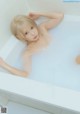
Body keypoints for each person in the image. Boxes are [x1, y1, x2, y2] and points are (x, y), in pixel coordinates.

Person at [0, 12, 64, 77]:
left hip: (63, 56)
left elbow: (60, 16)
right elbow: (26, 74)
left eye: (32, 27)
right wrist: (3, 64)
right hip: (55, 69)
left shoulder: (42, 28)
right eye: (26, 33)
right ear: (20, 37)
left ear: (34, 23)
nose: (33, 33)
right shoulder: (28, 52)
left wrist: (39, 13)